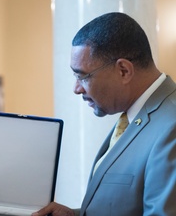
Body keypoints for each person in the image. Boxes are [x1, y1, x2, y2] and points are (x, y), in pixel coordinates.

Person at [33, 12, 176, 216]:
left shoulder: (171, 126)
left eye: (83, 76)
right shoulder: (133, 115)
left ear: (124, 70)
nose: (76, 88)